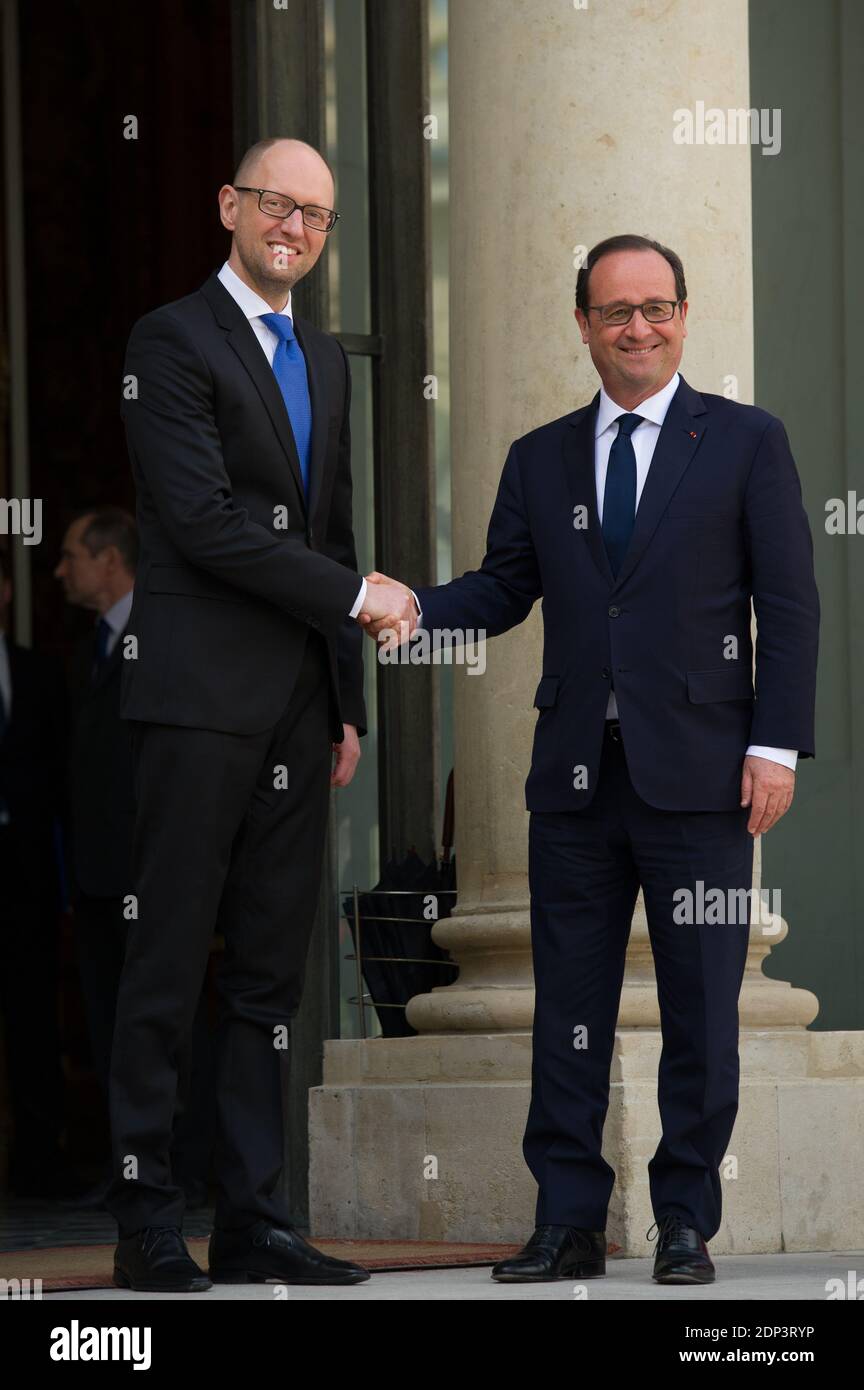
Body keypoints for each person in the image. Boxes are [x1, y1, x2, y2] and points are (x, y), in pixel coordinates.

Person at [358, 234, 820, 1285]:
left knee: (703, 1002)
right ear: (583, 325)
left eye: (657, 307)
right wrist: (416, 610)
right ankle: (566, 1220)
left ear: (685, 317)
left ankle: (686, 1220)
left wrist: (774, 745)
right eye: (616, 311)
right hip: (572, 778)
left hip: (704, 777)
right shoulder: (542, 457)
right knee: (568, 1006)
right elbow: (501, 590)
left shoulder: (747, 441)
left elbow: (788, 608)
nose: (638, 327)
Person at [107, 136, 411, 1293]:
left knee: (270, 979)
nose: (295, 227)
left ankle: (254, 1217)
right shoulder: (170, 340)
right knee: (168, 959)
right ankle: (145, 1220)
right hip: (195, 701)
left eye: (318, 216)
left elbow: (326, 529)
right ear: (229, 203)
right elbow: (201, 521)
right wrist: (358, 597)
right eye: (277, 203)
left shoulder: (325, 357)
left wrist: (344, 702)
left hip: (295, 709)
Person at [56, 506, 213, 1209]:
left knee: (165, 1021)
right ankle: (132, 1172)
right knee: (110, 1022)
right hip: (93, 877)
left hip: (151, 872)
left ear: (110, 560)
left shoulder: (163, 633)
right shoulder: (86, 649)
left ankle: (184, 1166)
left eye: (70, 555)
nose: (60, 570)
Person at [0, 547, 78, 1198]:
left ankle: (40, 1159)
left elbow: (65, 781)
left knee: (33, 1017)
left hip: (26, 875)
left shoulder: (39, 674)